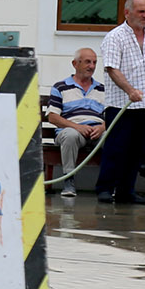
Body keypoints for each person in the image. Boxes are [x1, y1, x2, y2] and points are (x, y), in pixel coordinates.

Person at [95, 0, 145, 208]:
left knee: (138, 149)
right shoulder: (114, 37)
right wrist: (129, 90)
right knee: (116, 147)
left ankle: (126, 191)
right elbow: (111, 68)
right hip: (121, 104)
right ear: (128, 12)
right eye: (141, 11)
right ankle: (105, 188)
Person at [46, 48, 106, 199]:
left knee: (113, 137)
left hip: (97, 130)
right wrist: (77, 127)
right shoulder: (60, 87)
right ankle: (68, 181)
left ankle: (108, 185)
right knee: (71, 135)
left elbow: (112, 116)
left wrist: (102, 127)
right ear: (75, 64)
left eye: (94, 62)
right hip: (71, 129)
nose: (91, 66)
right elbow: (52, 117)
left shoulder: (102, 89)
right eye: (87, 62)